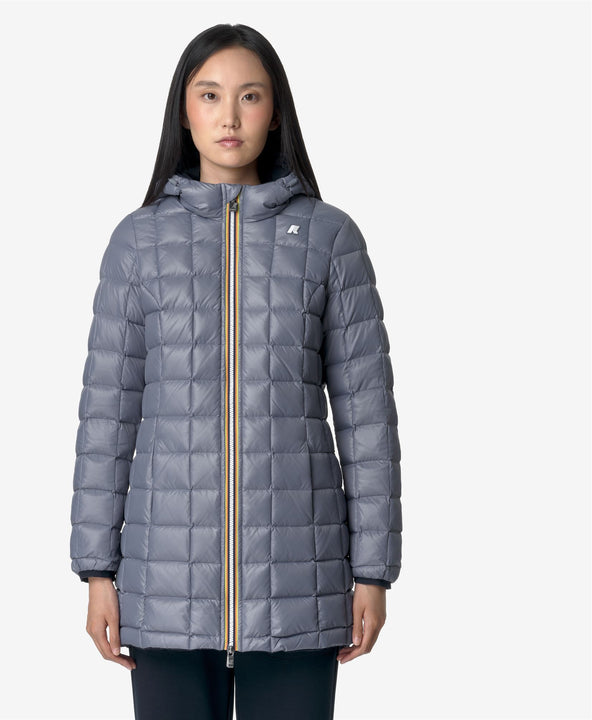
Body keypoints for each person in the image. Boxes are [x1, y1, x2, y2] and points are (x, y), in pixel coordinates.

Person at [69, 23, 402, 720]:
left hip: (300, 587)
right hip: (163, 590)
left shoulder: (330, 239)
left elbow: (368, 419)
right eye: (210, 95)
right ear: (183, 112)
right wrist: (97, 570)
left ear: (274, 112)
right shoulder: (138, 242)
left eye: (250, 96)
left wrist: (373, 573)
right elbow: (106, 417)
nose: (229, 116)